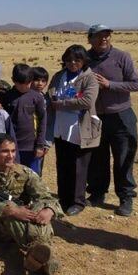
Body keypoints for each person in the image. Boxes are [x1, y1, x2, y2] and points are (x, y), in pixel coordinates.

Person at [0, 133, 63, 275]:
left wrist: (49, 210)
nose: (10, 155)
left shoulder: (24, 172)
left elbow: (46, 196)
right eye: (5, 151)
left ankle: (36, 254)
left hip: (25, 222)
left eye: (13, 151)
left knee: (40, 205)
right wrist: (12, 211)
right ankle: (45, 254)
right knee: (9, 206)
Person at [85, 24, 138, 217]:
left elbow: (136, 84)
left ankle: (125, 197)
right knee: (96, 158)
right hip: (94, 116)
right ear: (90, 39)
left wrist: (110, 85)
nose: (104, 39)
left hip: (121, 116)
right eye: (99, 36)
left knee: (123, 158)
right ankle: (97, 193)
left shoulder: (122, 57)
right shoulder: (84, 59)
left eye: (107, 35)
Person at [46, 44, 101, 216]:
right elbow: (51, 93)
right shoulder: (59, 75)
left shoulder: (89, 78)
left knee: (79, 167)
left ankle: (78, 202)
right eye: (69, 59)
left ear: (84, 61)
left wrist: (61, 104)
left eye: (77, 59)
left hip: (80, 129)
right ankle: (64, 199)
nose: (72, 63)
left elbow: (87, 101)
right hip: (60, 128)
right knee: (63, 165)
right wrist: (56, 101)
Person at [3, 64, 47, 175]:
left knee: (32, 177)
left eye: (28, 83)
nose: (24, 87)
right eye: (20, 84)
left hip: (31, 147)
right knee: (13, 176)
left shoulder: (37, 97)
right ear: (13, 80)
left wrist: (40, 145)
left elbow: (42, 121)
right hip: (12, 146)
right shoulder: (7, 97)